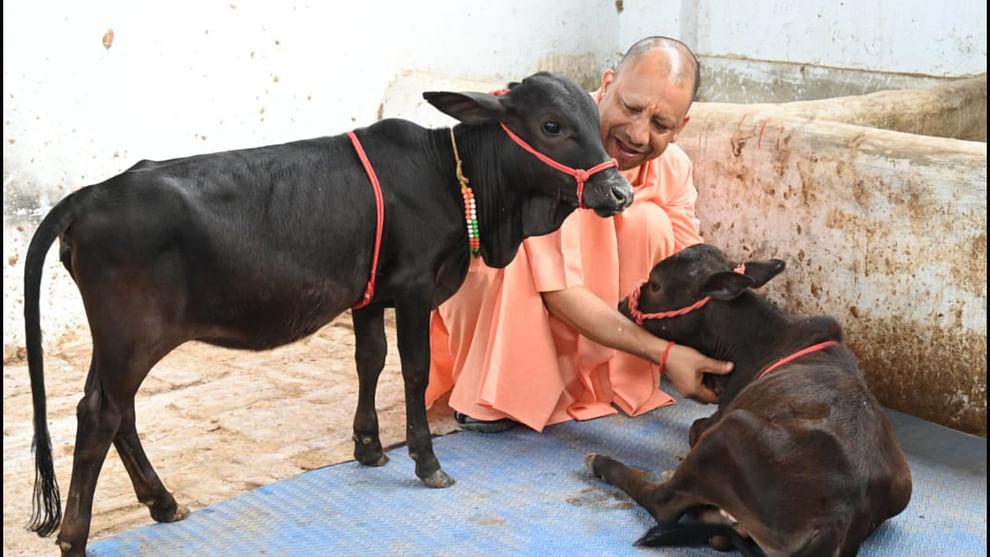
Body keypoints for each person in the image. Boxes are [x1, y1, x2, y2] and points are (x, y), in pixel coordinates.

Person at [426, 36, 733, 433]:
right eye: (631, 107)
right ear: (606, 86)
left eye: (660, 124)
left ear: (681, 128)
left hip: (604, 329)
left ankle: (609, 378)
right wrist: (666, 354)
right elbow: (559, 294)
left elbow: (691, 268)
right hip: (508, 292)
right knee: (508, 257)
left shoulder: (672, 167)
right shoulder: (544, 134)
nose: (638, 135)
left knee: (649, 222)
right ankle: (503, 388)